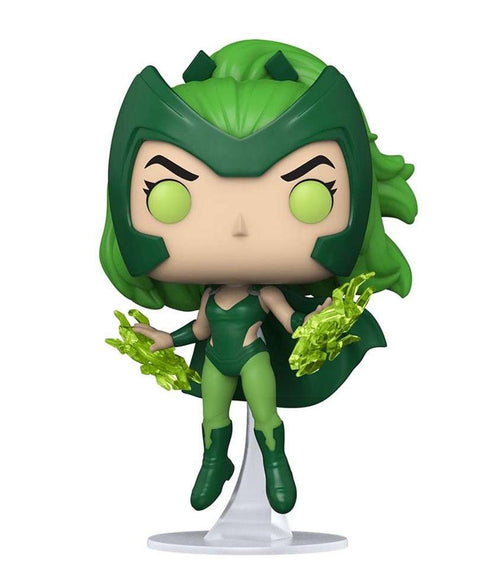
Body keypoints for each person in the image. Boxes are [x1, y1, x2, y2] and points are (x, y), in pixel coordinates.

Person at [101, 39, 417, 514]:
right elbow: (200, 329)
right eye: (170, 196)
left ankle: (275, 462)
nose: (238, 227)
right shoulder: (210, 295)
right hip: (216, 363)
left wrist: (318, 322)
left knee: (265, 414)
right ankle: (215, 461)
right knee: (212, 416)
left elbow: (291, 323)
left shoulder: (265, 292)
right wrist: (166, 339)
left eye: (310, 196)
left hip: (253, 358)